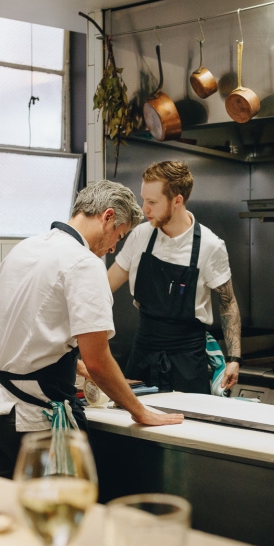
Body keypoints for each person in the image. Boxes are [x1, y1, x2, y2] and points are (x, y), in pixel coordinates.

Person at [0, 181, 184, 478]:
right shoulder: (83, 263)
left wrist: (78, 367)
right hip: (35, 425)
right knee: (58, 519)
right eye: (118, 235)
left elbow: (28, 333)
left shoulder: (24, 249)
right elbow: (99, 360)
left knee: (13, 516)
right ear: (107, 217)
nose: (113, 247)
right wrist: (139, 411)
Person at [107, 161, 242, 394]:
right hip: (143, 352)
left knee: (188, 427)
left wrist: (234, 358)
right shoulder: (141, 235)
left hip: (188, 359)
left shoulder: (210, 245)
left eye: (152, 202)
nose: (144, 209)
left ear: (177, 200)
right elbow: (105, 286)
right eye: (143, 199)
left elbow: (228, 302)